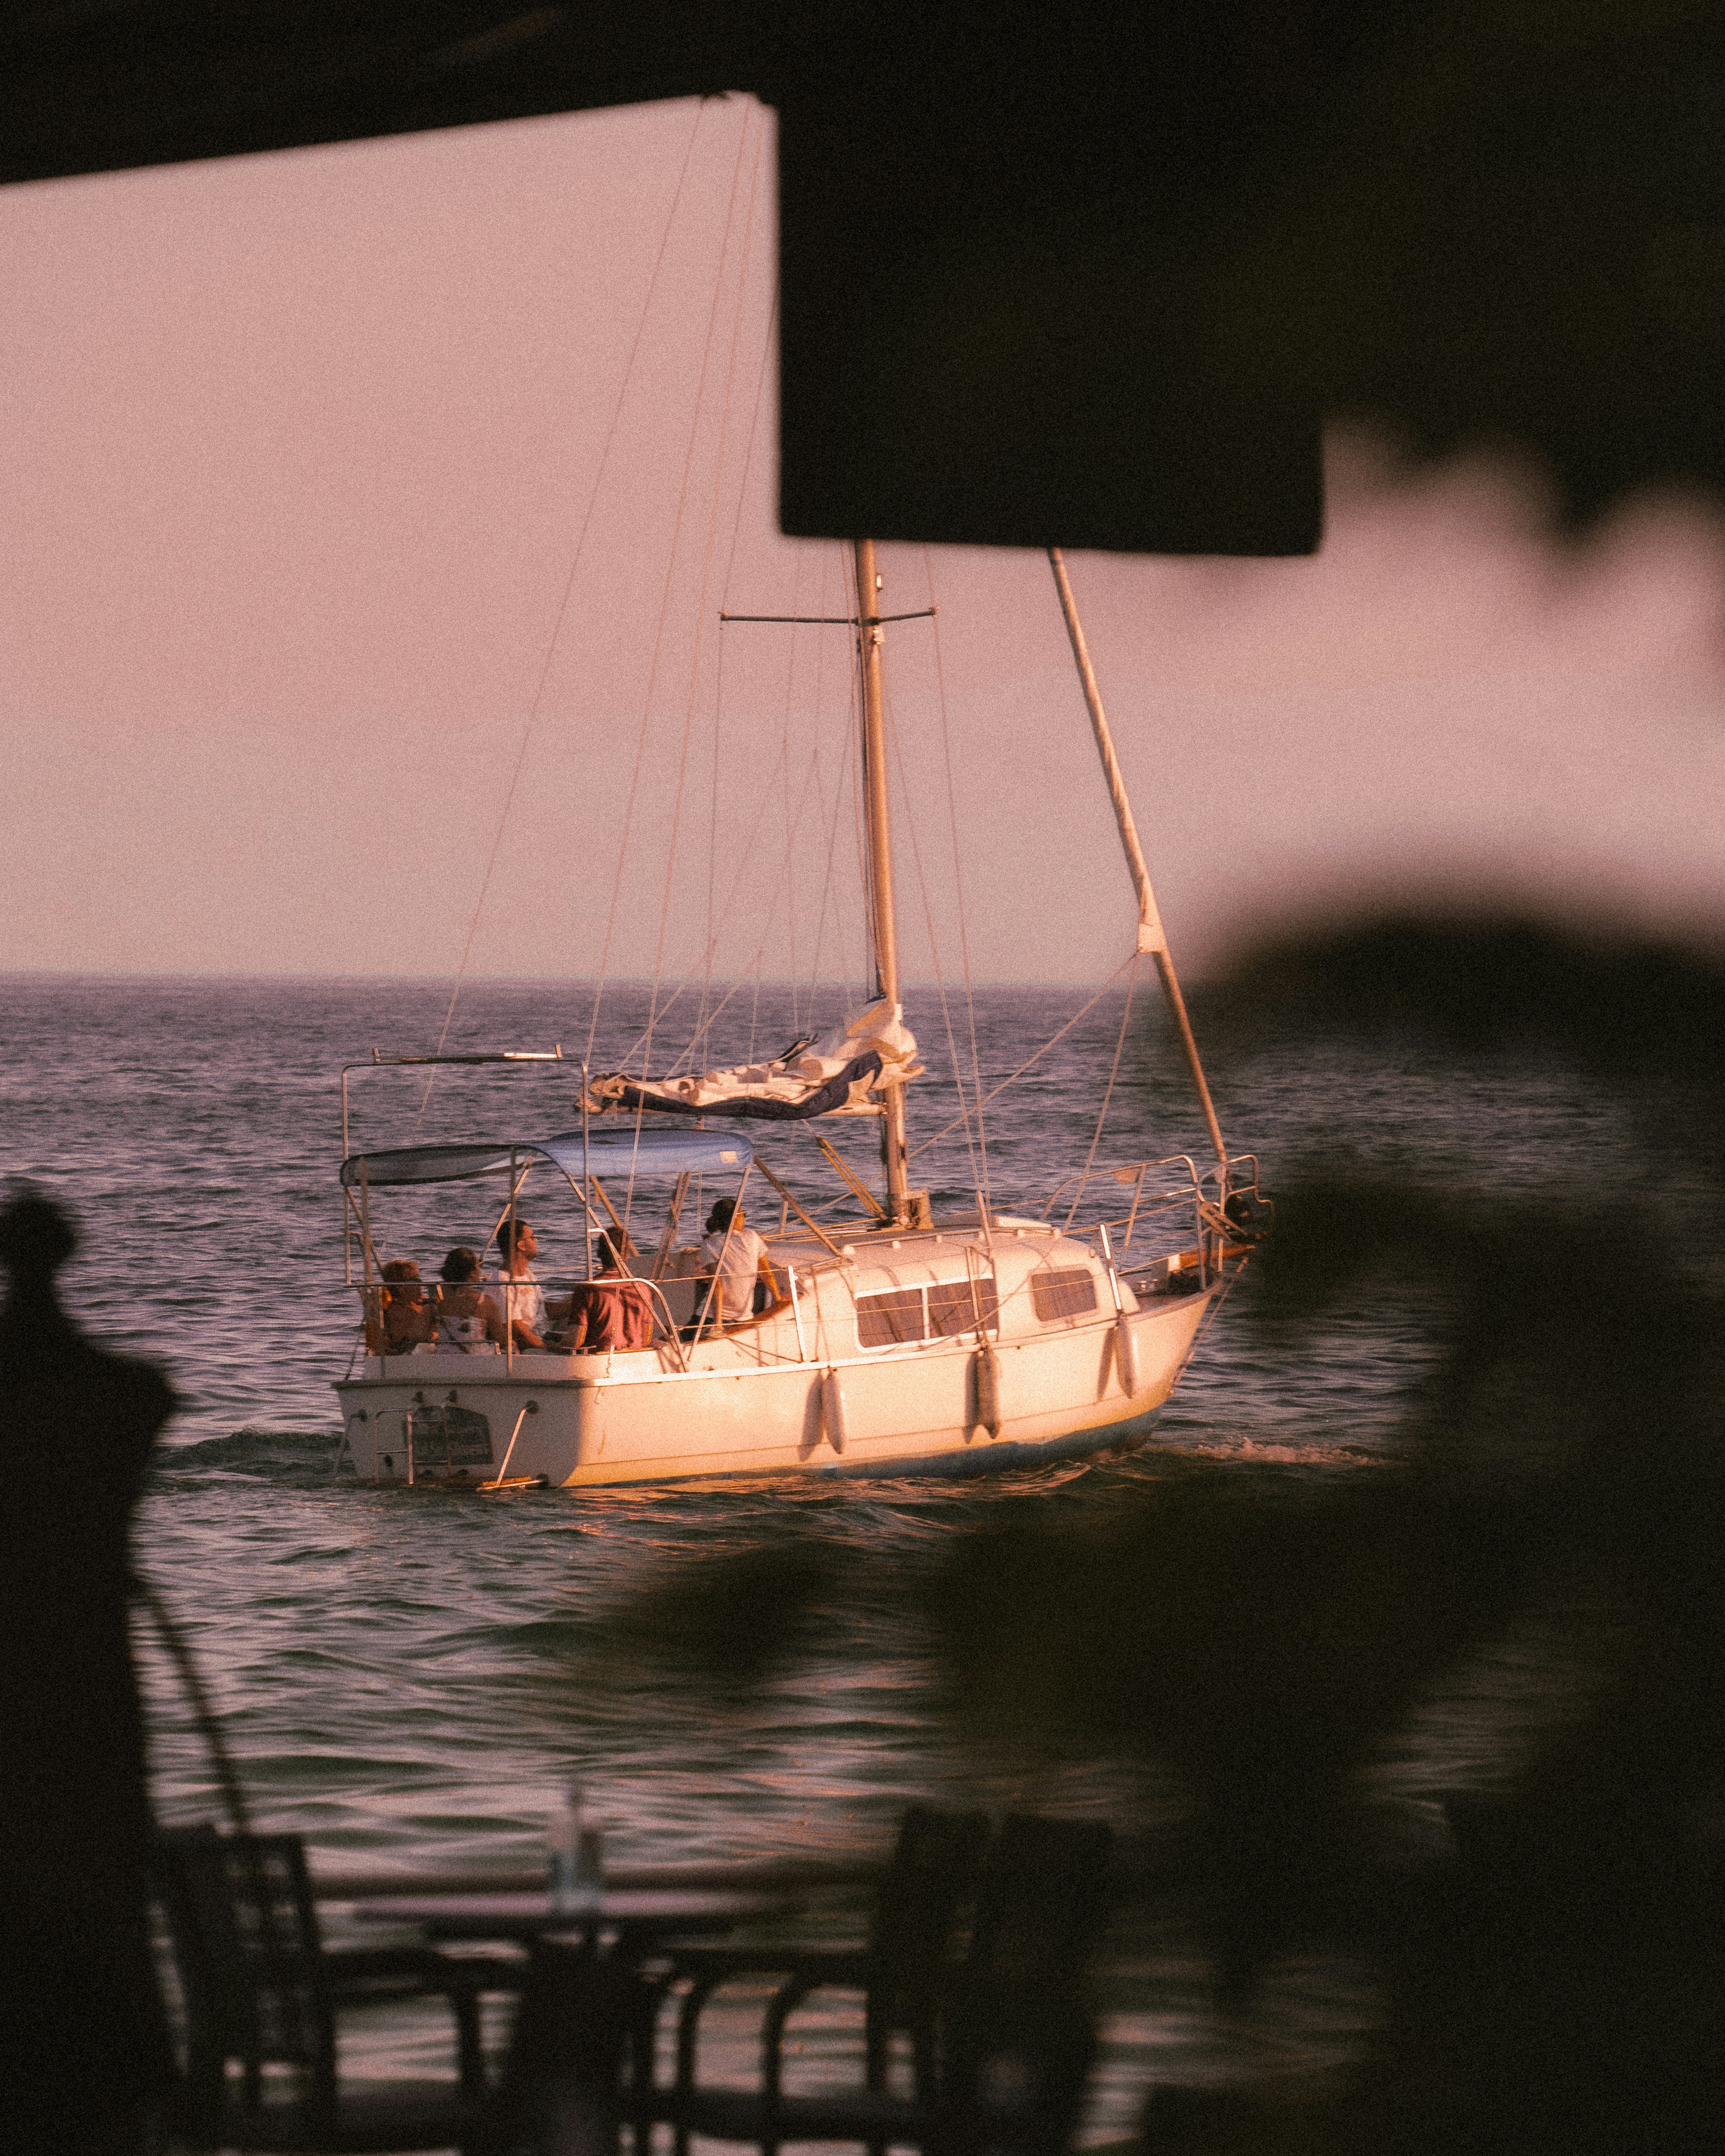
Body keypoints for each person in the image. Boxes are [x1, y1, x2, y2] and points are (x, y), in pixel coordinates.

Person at [0, 1188, 175, 2155]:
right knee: (98, 1909)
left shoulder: (108, 1396)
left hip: (66, 1681)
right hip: (91, 1685)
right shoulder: (121, 1395)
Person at [564, 1231, 655, 1352]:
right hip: (635, 1356)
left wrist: (548, 1345)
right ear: (626, 1255)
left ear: (599, 1254)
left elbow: (576, 1341)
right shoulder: (643, 1288)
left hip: (600, 1358)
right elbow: (647, 1339)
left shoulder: (587, 1289)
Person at [698, 1197, 777, 1327]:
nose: (744, 1219)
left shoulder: (709, 1244)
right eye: (743, 1214)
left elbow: (716, 1284)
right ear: (736, 1217)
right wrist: (778, 1298)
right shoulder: (753, 1237)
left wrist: (718, 1325)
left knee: (680, 1335)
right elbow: (767, 1273)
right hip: (743, 1317)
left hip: (711, 1316)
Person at [490, 1217, 548, 1349]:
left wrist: (574, 1303)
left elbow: (541, 1308)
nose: (536, 1241)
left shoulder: (527, 1275)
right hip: (526, 1346)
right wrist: (550, 1348)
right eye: (532, 1238)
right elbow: (516, 1330)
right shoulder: (502, 1282)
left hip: (542, 1333)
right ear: (521, 1246)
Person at [435, 1246, 508, 1351]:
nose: (480, 1270)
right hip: (477, 1357)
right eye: (479, 1266)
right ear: (472, 1273)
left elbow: (419, 1334)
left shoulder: (436, 1300)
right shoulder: (484, 1302)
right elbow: (500, 1339)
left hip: (444, 1356)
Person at [378, 1258, 435, 1354]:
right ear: (401, 1288)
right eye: (416, 1280)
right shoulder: (398, 1311)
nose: (421, 1284)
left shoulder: (421, 1302)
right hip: (409, 1354)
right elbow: (412, 1338)